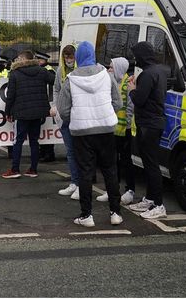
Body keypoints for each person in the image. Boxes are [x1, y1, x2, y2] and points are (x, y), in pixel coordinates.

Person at [56, 41, 123, 227]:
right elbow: (118, 103)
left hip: (82, 132)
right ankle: (115, 212)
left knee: (85, 172)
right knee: (110, 171)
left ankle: (87, 215)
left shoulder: (71, 79)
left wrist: (76, 118)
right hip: (106, 128)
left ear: (78, 58)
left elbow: (63, 109)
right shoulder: (106, 75)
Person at [127, 41, 170, 219]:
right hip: (156, 122)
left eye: (136, 56)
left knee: (151, 166)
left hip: (148, 124)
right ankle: (150, 199)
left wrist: (131, 90)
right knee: (150, 164)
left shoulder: (146, 74)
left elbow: (140, 99)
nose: (135, 60)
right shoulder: (159, 71)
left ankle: (158, 205)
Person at [2, 50, 55, 179]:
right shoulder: (42, 71)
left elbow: (10, 95)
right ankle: (33, 169)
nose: (17, 60)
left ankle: (15, 169)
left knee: (18, 141)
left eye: (19, 58)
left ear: (23, 59)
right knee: (34, 141)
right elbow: (54, 81)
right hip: (38, 112)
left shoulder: (15, 74)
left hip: (21, 112)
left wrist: (7, 111)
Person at [96, 57, 136, 205]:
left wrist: (127, 125)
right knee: (112, 161)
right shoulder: (110, 83)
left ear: (118, 69)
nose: (109, 70)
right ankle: (112, 190)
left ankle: (130, 190)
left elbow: (130, 108)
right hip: (111, 128)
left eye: (111, 68)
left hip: (124, 129)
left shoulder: (128, 83)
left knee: (126, 161)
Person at [51, 44, 79, 200]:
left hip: (78, 116)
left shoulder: (79, 70)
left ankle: (81, 183)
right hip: (64, 117)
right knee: (70, 151)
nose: (68, 60)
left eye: (71, 57)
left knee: (79, 151)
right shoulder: (60, 71)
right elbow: (56, 89)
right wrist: (55, 105)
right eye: (66, 57)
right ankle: (74, 182)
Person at [35, 50, 56, 163]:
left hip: (49, 102)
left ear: (44, 60)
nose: (37, 61)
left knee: (48, 128)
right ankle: (43, 151)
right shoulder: (42, 70)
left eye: (39, 59)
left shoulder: (49, 71)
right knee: (43, 129)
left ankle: (48, 153)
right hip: (43, 102)